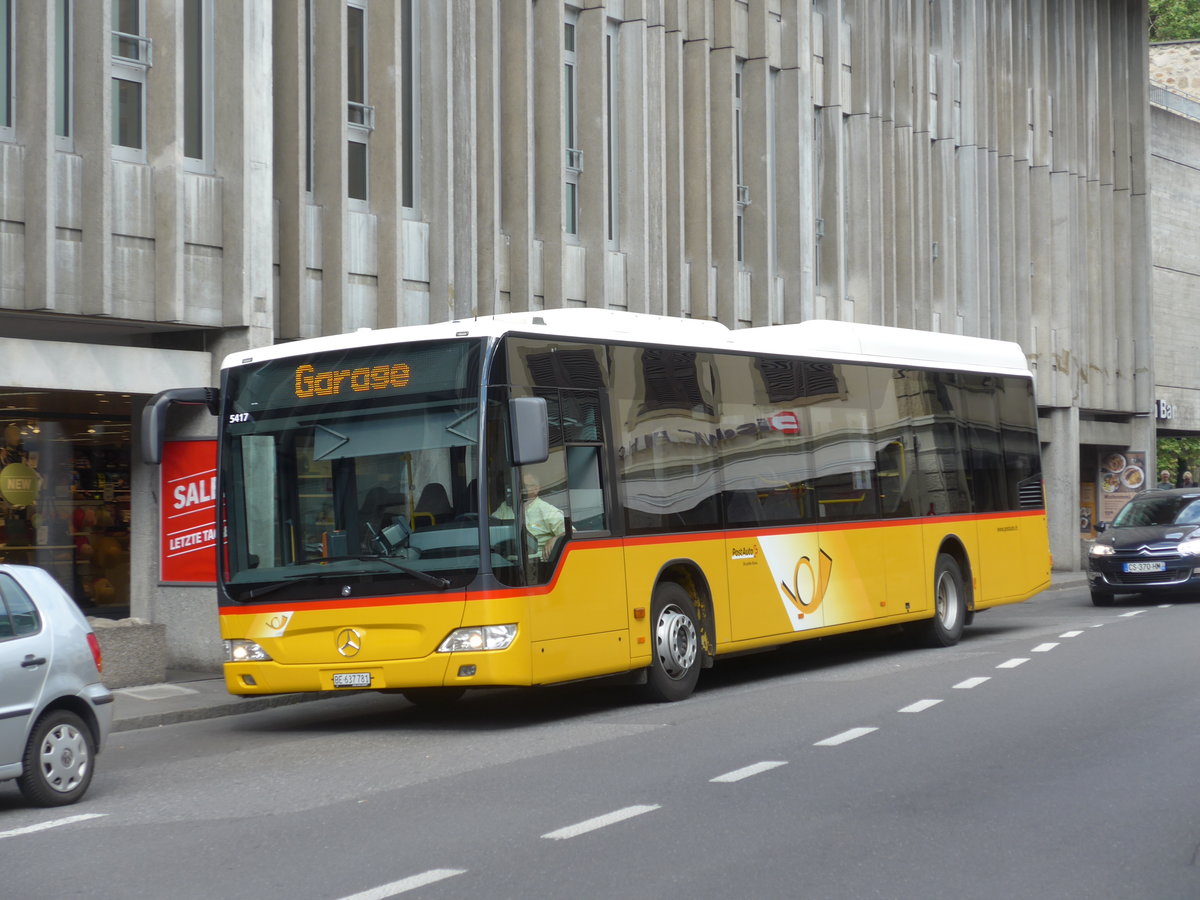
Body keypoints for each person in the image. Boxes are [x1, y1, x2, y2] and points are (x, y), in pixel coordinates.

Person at [494, 473, 566, 561]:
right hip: (505, 561)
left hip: (535, 564)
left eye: (523, 486)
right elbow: (491, 525)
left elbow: (570, 532)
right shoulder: (505, 507)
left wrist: (555, 539)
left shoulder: (546, 510)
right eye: (517, 485)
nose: (519, 488)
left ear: (536, 488)